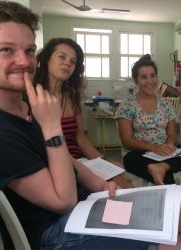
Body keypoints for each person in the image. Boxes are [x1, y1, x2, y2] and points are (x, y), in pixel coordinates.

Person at [0, 1, 181, 249]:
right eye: (6, 50)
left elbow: (69, 161)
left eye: (28, 50)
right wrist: (52, 128)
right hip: (57, 231)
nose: (25, 61)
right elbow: (63, 201)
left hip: (86, 206)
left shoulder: (23, 108)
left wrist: (98, 183)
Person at [34, 37, 132, 188]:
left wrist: (103, 162)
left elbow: (81, 139)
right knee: (113, 190)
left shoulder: (72, 98)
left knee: (123, 184)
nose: (67, 62)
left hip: (79, 162)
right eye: (62, 57)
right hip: (51, 165)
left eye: (73, 61)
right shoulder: (33, 98)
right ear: (46, 59)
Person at [115, 54, 181, 185]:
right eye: (144, 77)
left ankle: (163, 166)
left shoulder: (165, 103)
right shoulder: (127, 105)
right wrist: (154, 148)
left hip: (164, 152)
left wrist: (169, 145)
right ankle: (165, 169)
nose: (150, 81)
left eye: (153, 75)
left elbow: (171, 134)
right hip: (137, 155)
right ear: (135, 80)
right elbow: (126, 141)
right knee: (166, 177)